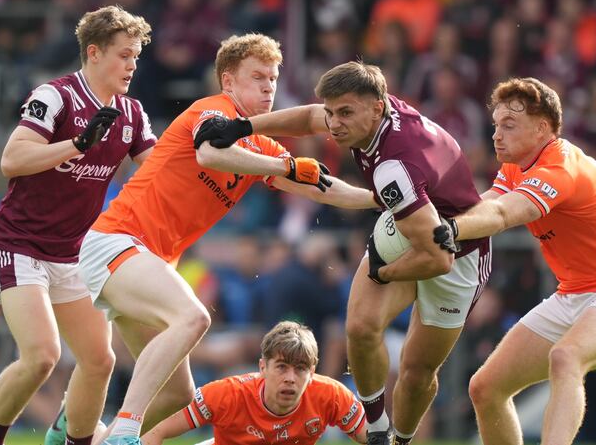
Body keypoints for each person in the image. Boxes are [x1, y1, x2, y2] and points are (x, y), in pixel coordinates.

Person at [71, 35, 376, 445]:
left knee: (178, 397)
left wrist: (384, 201)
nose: (269, 86)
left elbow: (324, 188)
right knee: (194, 318)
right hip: (116, 241)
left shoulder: (259, 145)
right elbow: (210, 153)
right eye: (258, 77)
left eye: (273, 78)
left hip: (146, 260)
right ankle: (125, 429)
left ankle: (87, 435)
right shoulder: (214, 110)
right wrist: (283, 164)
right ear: (228, 81)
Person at [195, 61, 492, 445]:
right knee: (359, 327)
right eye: (333, 112)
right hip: (409, 218)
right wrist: (244, 126)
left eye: (345, 113)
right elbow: (310, 117)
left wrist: (381, 273)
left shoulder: (393, 168)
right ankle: (377, 430)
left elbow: (438, 258)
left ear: (377, 107)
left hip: (459, 254)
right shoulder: (375, 111)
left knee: (417, 373)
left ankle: (402, 439)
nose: (334, 124)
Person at [432, 77, 596, 445]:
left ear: (542, 128)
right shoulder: (516, 166)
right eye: (495, 125)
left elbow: (504, 214)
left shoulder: (561, 166)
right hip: (572, 295)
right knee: (485, 388)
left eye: (509, 125)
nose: (496, 135)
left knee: (566, 357)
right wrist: (429, 213)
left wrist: (453, 228)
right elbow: (486, 204)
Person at [0, 6, 156, 445]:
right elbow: (11, 161)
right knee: (42, 356)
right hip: (18, 245)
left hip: (74, 253)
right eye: (124, 55)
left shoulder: (132, 113)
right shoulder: (55, 96)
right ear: (93, 53)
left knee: (99, 361)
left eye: (136, 56)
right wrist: (75, 145)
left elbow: (158, 177)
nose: (133, 65)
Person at [140, 320, 367, 445]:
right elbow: (155, 431)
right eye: (281, 367)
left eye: (300, 369)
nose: (290, 377)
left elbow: (375, 438)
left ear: (312, 372)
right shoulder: (226, 394)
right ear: (262, 368)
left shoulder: (332, 395)